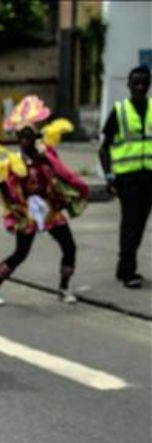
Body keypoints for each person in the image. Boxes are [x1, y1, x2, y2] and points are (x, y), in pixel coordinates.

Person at [0, 96, 88, 305]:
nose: (24, 139)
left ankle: (64, 288)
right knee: (21, 253)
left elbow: (62, 174)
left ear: (35, 136)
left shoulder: (47, 156)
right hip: (27, 212)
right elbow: (7, 188)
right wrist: (8, 199)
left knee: (70, 247)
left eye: (28, 135)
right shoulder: (13, 162)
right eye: (20, 136)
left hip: (49, 210)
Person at [98, 64, 151, 289]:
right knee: (130, 225)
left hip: (149, 177)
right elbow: (104, 148)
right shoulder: (119, 111)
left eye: (144, 83)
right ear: (128, 85)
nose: (140, 87)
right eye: (136, 83)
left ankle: (124, 267)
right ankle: (128, 272)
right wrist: (109, 177)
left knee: (139, 226)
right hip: (127, 180)